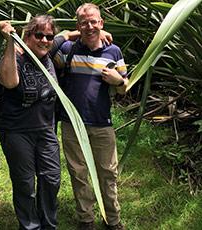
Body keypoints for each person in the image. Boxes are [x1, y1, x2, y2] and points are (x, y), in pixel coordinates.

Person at [53, 3, 128, 230]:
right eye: (84, 22)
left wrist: (119, 81)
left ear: (101, 23)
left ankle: (112, 220)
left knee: (108, 173)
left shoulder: (113, 52)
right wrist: (76, 34)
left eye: (94, 21)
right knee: (79, 174)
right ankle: (86, 220)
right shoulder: (67, 50)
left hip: (102, 123)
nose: (90, 26)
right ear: (78, 26)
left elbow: (125, 88)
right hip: (72, 123)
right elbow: (47, 46)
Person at [0, 16, 60, 230]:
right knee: (25, 184)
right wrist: (9, 41)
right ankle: (31, 227)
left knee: (51, 179)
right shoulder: (15, 56)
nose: (44, 40)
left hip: (45, 129)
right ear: (27, 35)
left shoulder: (48, 52)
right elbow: (9, 81)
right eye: (38, 35)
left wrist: (97, 32)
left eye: (49, 36)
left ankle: (48, 224)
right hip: (17, 131)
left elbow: (66, 35)